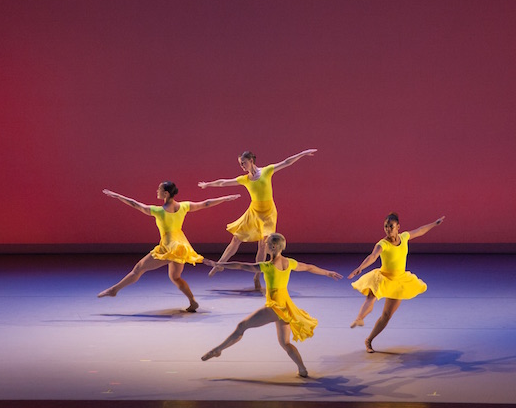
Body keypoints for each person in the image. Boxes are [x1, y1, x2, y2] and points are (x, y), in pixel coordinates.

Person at [200, 232, 342, 377]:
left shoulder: (267, 266)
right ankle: (302, 369)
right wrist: (327, 273)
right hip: (286, 306)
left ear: (273, 247)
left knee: (242, 326)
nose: (264, 245)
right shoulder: (289, 263)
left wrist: (218, 264)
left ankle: (217, 350)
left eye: (266, 243)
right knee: (285, 343)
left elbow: (241, 266)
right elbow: (308, 267)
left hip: (274, 307)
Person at [97, 182, 240, 312]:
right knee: (175, 277)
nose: (157, 191)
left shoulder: (159, 211)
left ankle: (114, 290)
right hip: (182, 246)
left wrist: (118, 196)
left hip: (169, 246)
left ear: (166, 193)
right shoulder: (184, 206)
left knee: (138, 269)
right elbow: (206, 203)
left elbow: (136, 204)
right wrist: (224, 198)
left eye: (159, 189)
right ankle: (192, 301)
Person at [198, 149, 317, 290]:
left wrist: (303, 153)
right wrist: (208, 184)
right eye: (240, 164)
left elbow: (286, 162)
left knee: (262, 245)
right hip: (254, 212)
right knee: (236, 239)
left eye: (244, 163)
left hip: (268, 214)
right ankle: (219, 264)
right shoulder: (245, 179)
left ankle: (257, 277)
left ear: (251, 161)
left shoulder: (266, 171)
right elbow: (223, 183)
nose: (242, 166)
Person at [348, 213, 445, 353]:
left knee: (387, 315)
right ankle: (359, 318)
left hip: (398, 280)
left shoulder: (404, 237)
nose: (388, 229)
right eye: (385, 227)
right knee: (371, 297)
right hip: (383, 277)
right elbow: (373, 256)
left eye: (391, 226)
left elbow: (420, 230)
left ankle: (368, 340)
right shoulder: (382, 244)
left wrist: (435, 224)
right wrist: (360, 268)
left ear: (398, 227)